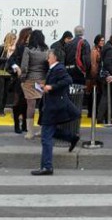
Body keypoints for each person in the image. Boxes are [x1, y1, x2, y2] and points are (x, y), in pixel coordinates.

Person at [30, 48, 81, 176]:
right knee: (50, 131)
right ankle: (72, 138)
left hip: (53, 107)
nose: (47, 58)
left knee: (46, 137)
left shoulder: (59, 68)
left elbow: (67, 80)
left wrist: (51, 87)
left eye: (49, 56)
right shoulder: (54, 68)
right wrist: (44, 86)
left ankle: (47, 167)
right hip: (52, 106)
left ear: (55, 57)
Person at [13, 29, 50, 139]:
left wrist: (22, 80)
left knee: (31, 106)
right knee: (43, 106)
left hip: (30, 81)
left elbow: (24, 67)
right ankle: (42, 130)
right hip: (42, 81)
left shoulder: (28, 49)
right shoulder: (46, 50)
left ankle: (30, 132)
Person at [6, 27, 32, 133]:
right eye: (29, 35)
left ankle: (25, 125)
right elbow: (11, 59)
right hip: (20, 79)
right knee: (18, 102)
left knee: (27, 103)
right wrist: (16, 67)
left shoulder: (33, 47)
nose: (30, 37)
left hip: (31, 78)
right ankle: (17, 124)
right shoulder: (20, 47)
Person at [0, 32, 16, 116]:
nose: (14, 41)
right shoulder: (2, 47)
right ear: (9, 39)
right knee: (1, 91)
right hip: (1, 71)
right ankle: (0, 110)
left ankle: (0, 109)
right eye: (13, 39)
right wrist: (6, 59)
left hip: (9, 72)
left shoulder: (15, 49)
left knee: (5, 92)